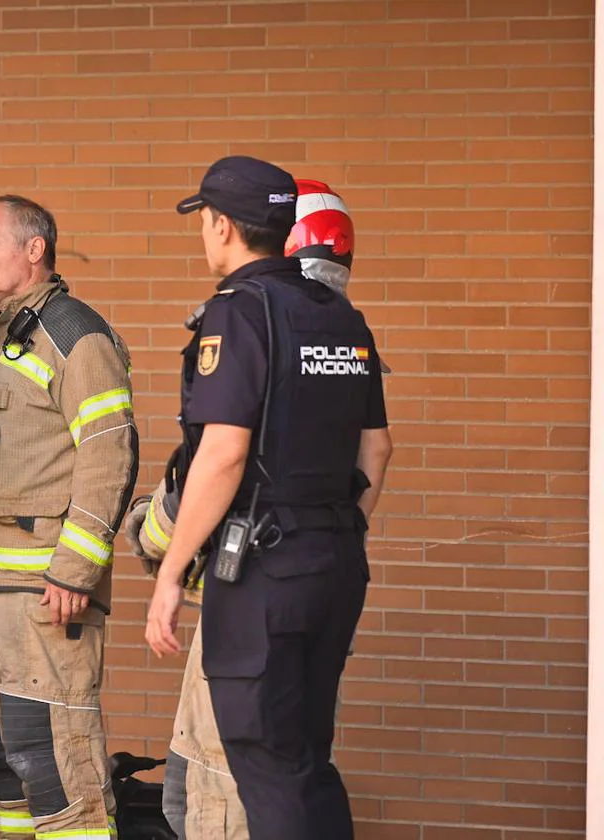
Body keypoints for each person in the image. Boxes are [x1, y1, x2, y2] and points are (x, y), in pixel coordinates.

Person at [144, 157, 393, 840]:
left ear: (221, 226)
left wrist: (170, 575)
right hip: (336, 561)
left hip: (261, 572)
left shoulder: (240, 313)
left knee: (267, 765)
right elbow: (376, 450)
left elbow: (222, 455)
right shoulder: (343, 317)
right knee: (310, 759)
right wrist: (336, 534)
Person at [0, 195, 139, 840]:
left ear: (34, 248)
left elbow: (110, 451)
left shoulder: (75, 332)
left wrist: (75, 569)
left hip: (47, 587)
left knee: (54, 763)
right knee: (0, 755)